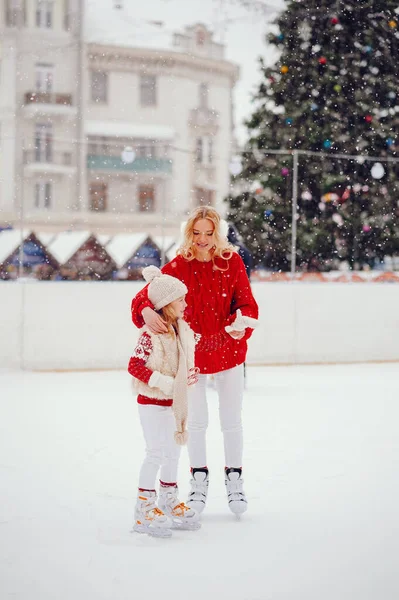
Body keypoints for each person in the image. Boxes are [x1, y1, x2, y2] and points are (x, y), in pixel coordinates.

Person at [131, 206, 259, 516]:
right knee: (196, 422)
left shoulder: (232, 263)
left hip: (228, 352)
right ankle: (198, 480)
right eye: (196, 232)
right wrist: (145, 310)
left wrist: (240, 322)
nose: (202, 239)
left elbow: (247, 304)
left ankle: (235, 480)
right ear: (189, 233)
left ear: (218, 233)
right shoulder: (179, 266)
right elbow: (147, 295)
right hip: (191, 358)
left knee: (232, 421)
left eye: (208, 232)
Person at [128, 264, 233, 536]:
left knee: (173, 453)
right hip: (151, 402)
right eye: (181, 299)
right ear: (166, 304)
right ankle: (144, 507)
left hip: (173, 404)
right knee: (156, 453)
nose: (186, 303)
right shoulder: (150, 333)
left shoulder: (182, 330)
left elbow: (205, 344)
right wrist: (167, 383)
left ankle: (168, 499)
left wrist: (231, 331)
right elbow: (135, 366)